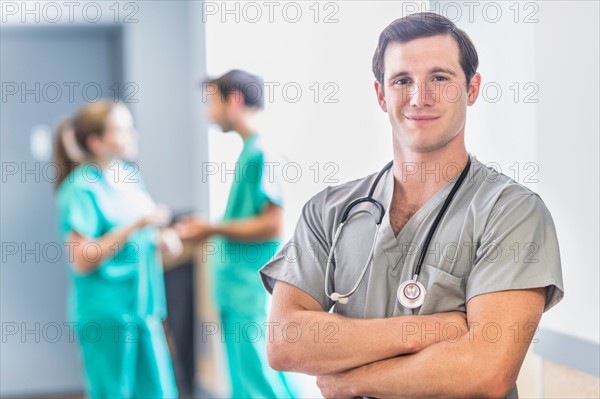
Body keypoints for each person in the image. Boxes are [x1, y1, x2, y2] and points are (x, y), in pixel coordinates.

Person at [259, 12, 564, 399]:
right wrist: (438, 328)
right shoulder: (328, 211)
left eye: (440, 78)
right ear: (381, 94)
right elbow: (286, 341)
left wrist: (351, 382)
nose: (420, 97)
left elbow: (486, 372)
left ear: (471, 89)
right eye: (403, 80)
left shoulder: (511, 213)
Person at [175, 70, 297, 398]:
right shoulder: (249, 151)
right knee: (248, 377)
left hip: (249, 289)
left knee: (259, 379)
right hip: (236, 290)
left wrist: (211, 228)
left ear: (235, 100)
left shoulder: (264, 151)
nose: (208, 114)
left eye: (212, 103)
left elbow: (273, 224)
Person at [54, 101, 180, 398]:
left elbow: (142, 236)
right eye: (121, 130)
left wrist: (162, 238)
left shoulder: (130, 177)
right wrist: (135, 226)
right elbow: (82, 260)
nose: (132, 134)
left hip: (144, 307)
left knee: (157, 391)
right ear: (96, 142)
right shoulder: (81, 188)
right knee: (113, 392)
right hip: (107, 313)